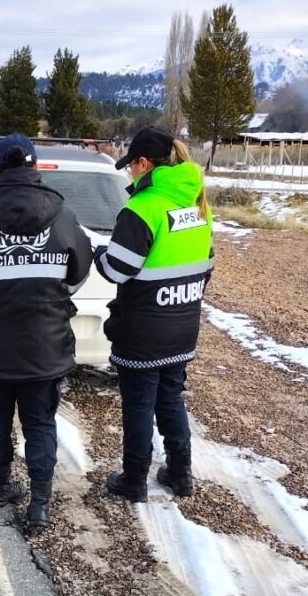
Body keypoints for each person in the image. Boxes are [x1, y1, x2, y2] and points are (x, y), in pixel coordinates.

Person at [0, 133, 93, 527]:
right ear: (36, 167)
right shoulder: (64, 217)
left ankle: (1, 485)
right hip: (44, 346)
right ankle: (39, 503)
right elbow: (77, 276)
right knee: (40, 423)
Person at [94, 126, 214, 502]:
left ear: (144, 164)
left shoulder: (143, 208)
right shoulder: (197, 206)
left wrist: (97, 252)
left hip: (142, 330)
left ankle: (133, 480)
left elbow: (117, 269)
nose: (129, 173)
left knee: (139, 405)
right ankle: (180, 475)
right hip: (182, 325)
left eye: (131, 166)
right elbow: (205, 264)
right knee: (171, 400)